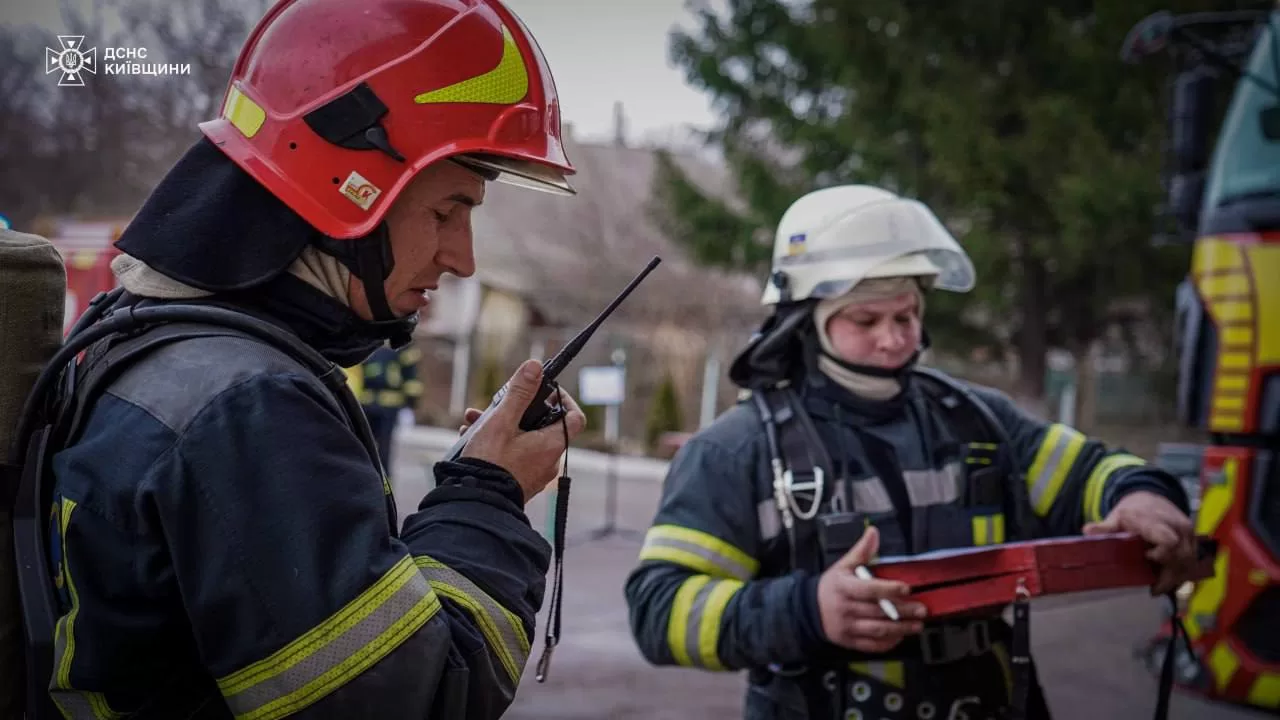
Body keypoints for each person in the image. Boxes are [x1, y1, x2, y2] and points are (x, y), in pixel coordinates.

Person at [36, 0, 586, 717]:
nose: (463, 259)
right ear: (346, 186)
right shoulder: (247, 410)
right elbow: (421, 699)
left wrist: (467, 489)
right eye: (446, 212)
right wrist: (489, 495)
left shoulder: (137, 335)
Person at [623, 185, 1201, 720]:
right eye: (866, 319)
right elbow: (658, 610)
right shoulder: (737, 450)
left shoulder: (978, 421)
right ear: (807, 321)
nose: (895, 337)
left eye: (907, 315)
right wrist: (806, 610)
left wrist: (1141, 496)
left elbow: (1091, 473)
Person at [353, 343, 426, 474]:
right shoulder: (368, 342)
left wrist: (410, 404)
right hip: (370, 404)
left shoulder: (400, 345)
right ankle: (370, 478)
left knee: (377, 448)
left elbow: (410, 376)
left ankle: (381, 480)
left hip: (381, 406)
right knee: (367, 446)